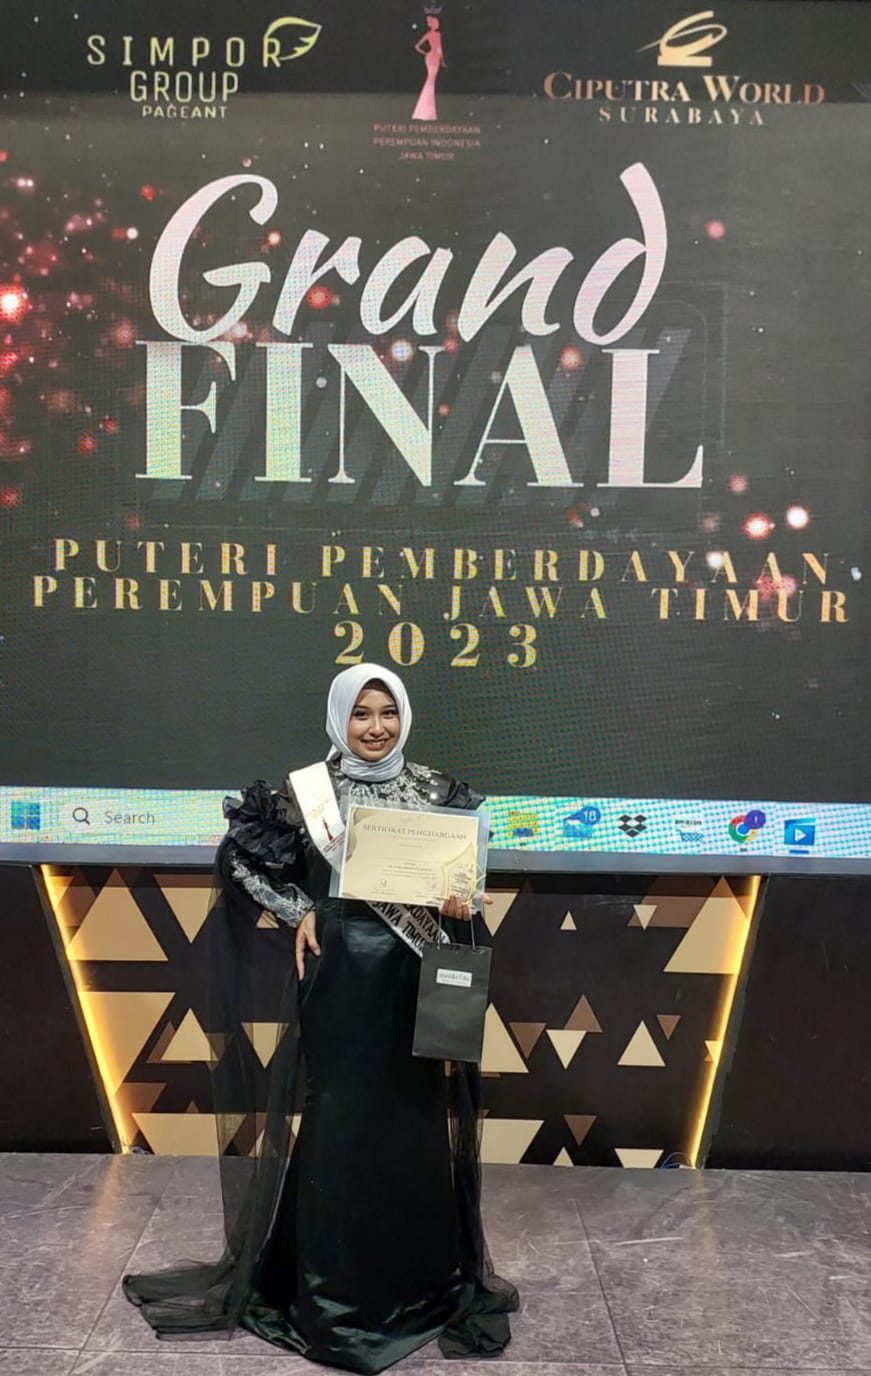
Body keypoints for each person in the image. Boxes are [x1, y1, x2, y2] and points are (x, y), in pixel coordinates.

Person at [124, 663, 518, 1373]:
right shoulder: (306, 792)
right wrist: (299, 909)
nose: (376, 727)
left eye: (387, 713)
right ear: (340, 718)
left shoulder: (439, 791)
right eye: (361, 713)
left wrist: (463, 900)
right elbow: (240, 859)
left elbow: (465, 883)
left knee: (412, 1119)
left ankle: (415, 1284)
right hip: (340, 975)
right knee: (340, 1119)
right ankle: (334, 1295)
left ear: (404, 716)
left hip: (416, 975)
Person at [412, 14, 445, 121]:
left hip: (435, 58)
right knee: (430, 81)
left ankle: (426, 111)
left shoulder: (437, 34)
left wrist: (441, 61)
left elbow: (439, 48)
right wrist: (426, 53)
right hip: (432, 57)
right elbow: (417, 46)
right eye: (436, 23)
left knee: (431, 81)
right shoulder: (432, 34)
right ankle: (426, 111)